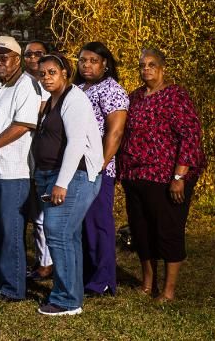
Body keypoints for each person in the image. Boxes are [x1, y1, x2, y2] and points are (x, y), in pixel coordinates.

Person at [119, 48, 205, 302]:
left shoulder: (175, 95)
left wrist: (179, 177)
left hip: (166, 177)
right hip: (135, 175)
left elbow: (190, 136)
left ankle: (168, 291)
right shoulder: (135, 97)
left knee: (168, 230)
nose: (146, 69)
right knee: (141, 230)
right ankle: (148, 283)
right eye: (142, 65)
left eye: (151, 65)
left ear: (162, 68)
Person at [32, 53, 104, 316]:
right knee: (67, 236)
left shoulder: (74, 99)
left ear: (65, 73)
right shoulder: (52, 101)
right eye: (42, 73)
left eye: (52, 72)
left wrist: (61, 184)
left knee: (57, 231)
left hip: (75, 176)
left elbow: (75, 144)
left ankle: (66, 300)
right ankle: (72, 294)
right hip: (52, 174)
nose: (46, 77)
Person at [0, 35, 42, 302]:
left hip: (13, 170)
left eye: (5, 57)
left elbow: (22, 124)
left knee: (11, 229)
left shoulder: (27, 84)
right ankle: (2, 277)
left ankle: (13, 288)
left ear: (17, 59)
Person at [74, 41, 128, 297]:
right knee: (80, 225)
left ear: (105, 64)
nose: (87, 65)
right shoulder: (77, 88)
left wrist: (99, 165)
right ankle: (85, 275)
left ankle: (103, 280)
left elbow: (115, 133)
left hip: (97, 170)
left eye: (93, 61)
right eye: (83, 60)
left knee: (99, 224)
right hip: (74, 168)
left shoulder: (112, 90)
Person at [21, 39, 54, 281]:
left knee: (43, 217)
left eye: (38, 54)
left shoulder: (49, 84)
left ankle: (46, 264)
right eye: (28, 54)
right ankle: (38, 259)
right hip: (26, 157)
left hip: (44, 157)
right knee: (32, 214)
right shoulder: (22, 81)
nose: (32, 58)